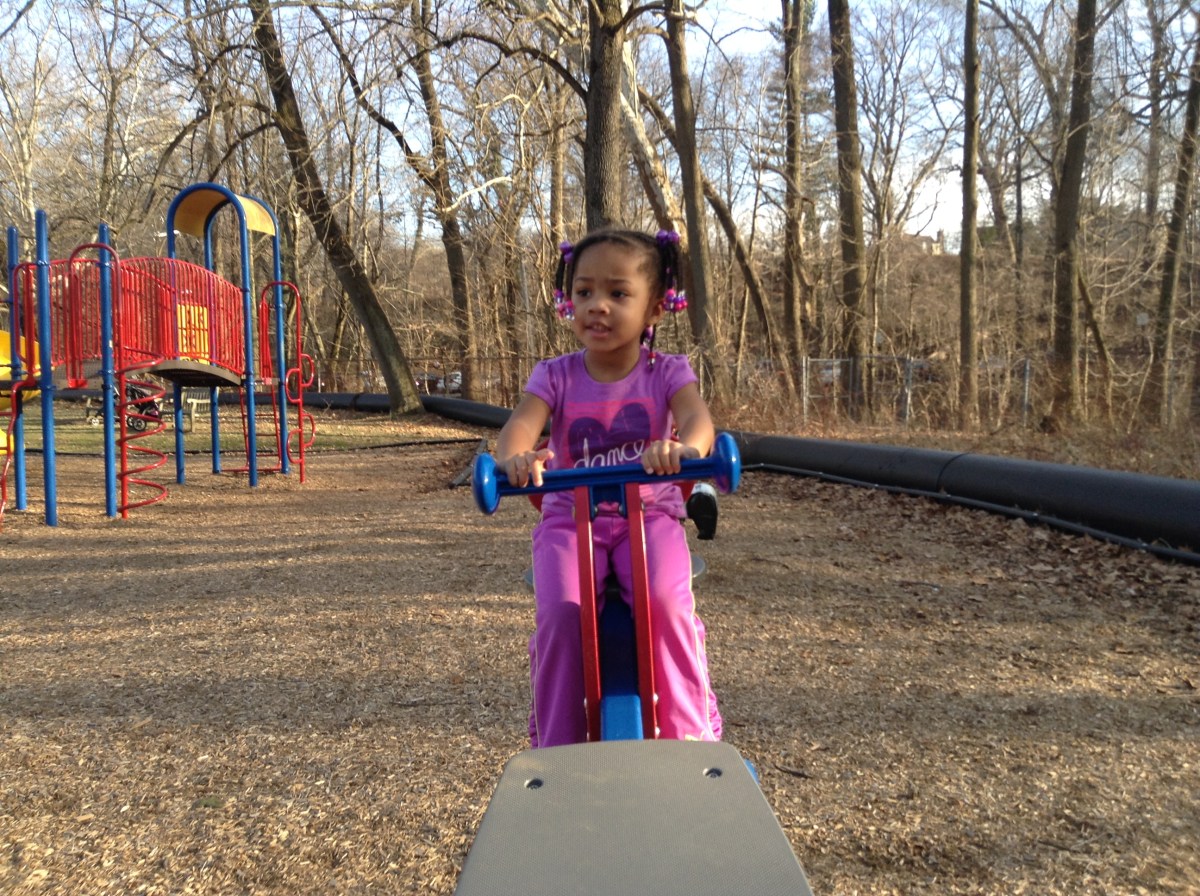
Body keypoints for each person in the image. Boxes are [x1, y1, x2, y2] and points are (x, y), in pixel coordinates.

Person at [494, 227, 722, 748]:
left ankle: (690, 731)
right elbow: (519, 428)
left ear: (655, 309)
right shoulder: (555, 375)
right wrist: (515, 458)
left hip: (650, 515)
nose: (597, 305)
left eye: (618, 293)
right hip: (571, 520)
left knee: (666, 603)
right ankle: (556, 741)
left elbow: (697, 421)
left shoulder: (667, 372)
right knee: (560, 614)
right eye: (584, 291)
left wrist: (685, 449)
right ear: (568, 299)